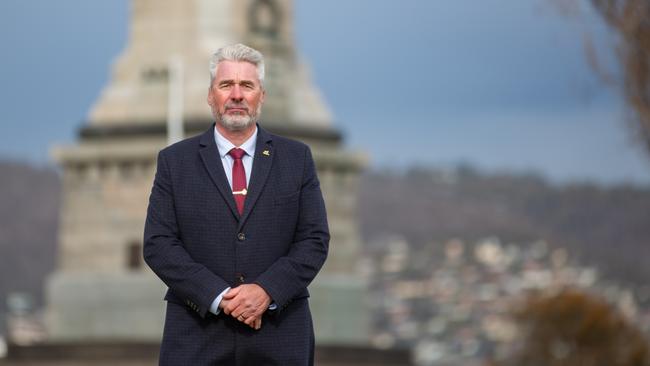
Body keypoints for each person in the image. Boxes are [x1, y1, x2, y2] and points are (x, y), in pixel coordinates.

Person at [143, 43, 329, 365]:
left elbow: (314, 240)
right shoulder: (175, 162)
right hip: (196, 335)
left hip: (279, 336)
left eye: (247, 85)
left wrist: (266, 291)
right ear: (210, 95)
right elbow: (159, 244)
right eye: (226, 84)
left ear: (262, 95)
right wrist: (220, 297)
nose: (237, 95)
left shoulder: (296, 159)